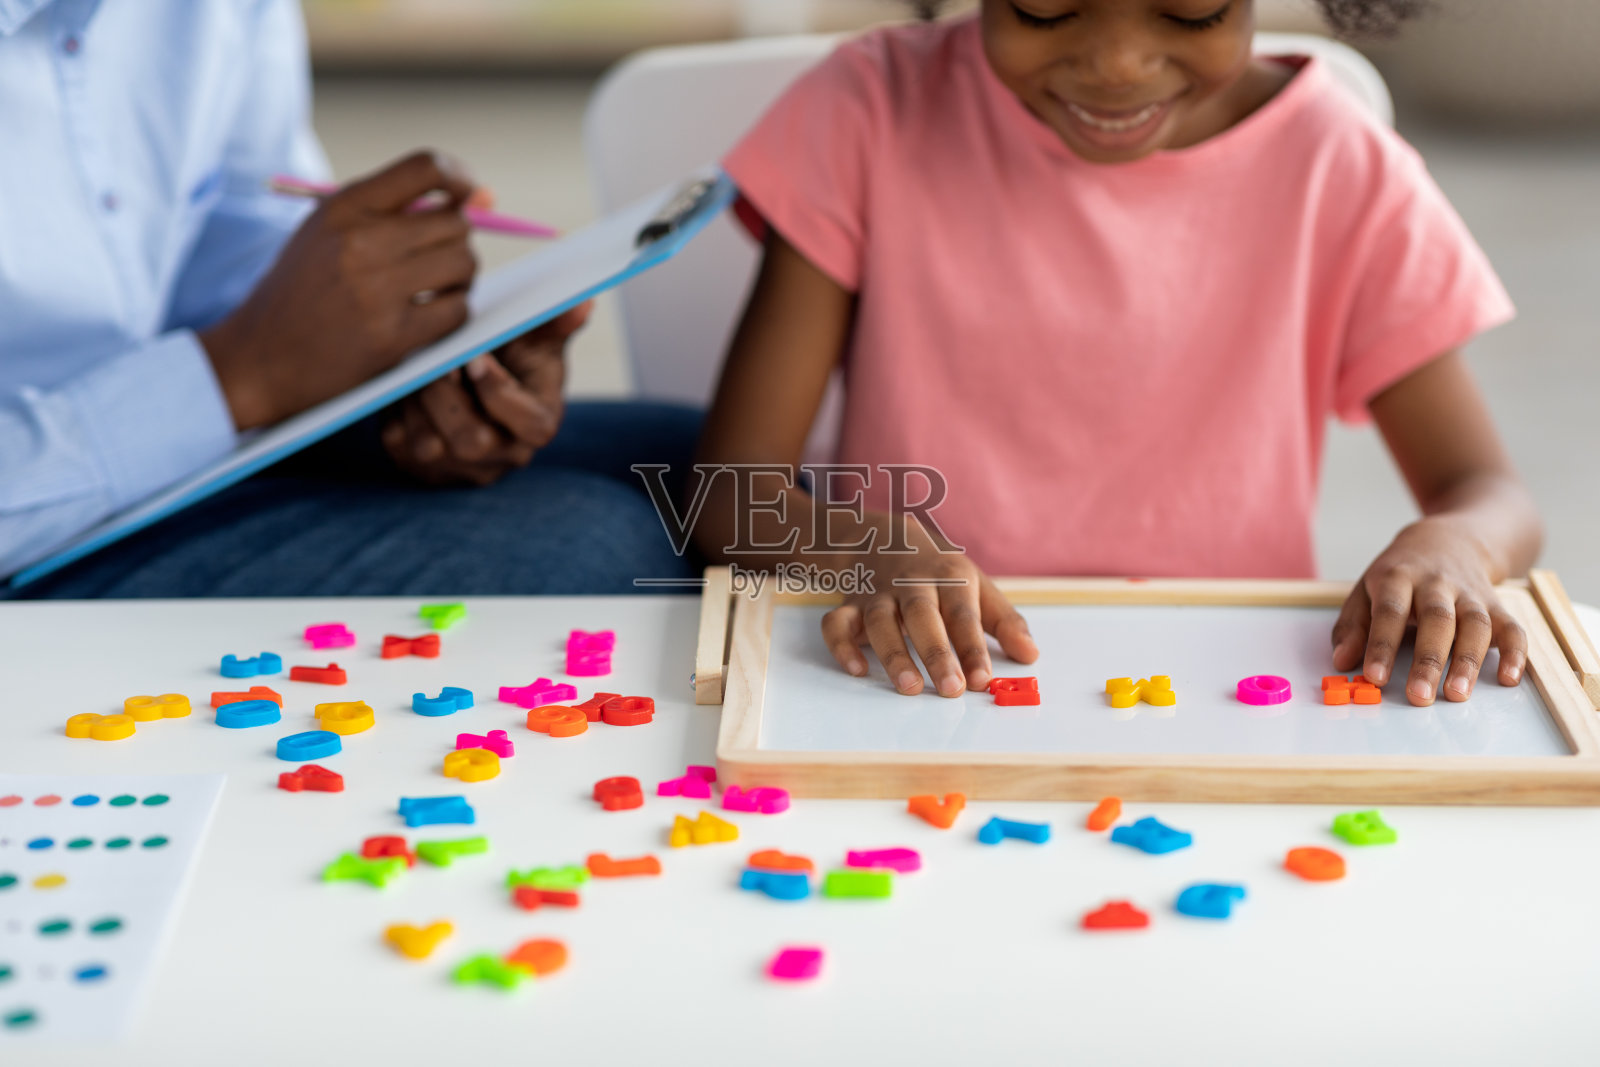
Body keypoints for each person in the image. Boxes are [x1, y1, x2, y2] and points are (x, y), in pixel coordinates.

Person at [692, 0, 1540, 706]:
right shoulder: (868, 109)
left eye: (1191, 8)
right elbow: (727, 499)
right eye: (1047, 6)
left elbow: (1492, 495)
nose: (1119, 64)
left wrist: (1456, 545)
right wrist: (863, 548)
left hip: (1221, 698)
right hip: (917, 682)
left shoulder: (1339, 166)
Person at [0, 0, 697, 596]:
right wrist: (243, 372)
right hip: (33, 528)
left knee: (694, 460)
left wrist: (398, 370)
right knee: (596, 548)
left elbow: (236, 226)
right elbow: (241, 363)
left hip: (176, 451)